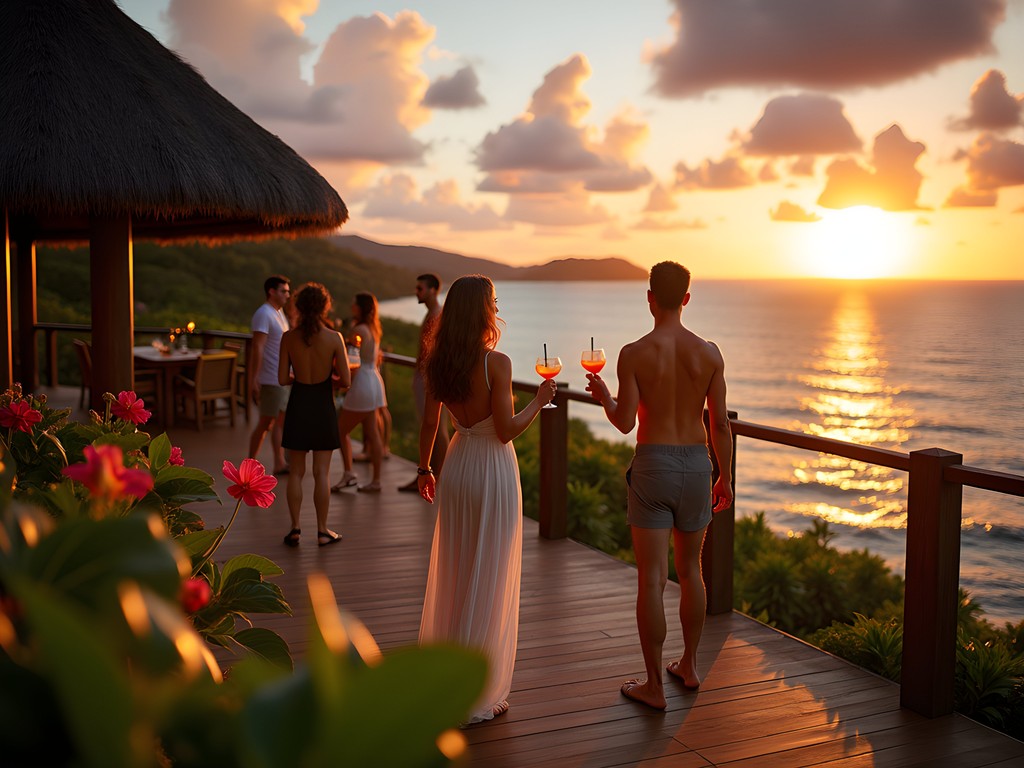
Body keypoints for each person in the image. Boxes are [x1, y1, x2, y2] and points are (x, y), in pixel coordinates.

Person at [585, 261, 733, 711]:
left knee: (652, 578)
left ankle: (653, 685)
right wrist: (724, 474)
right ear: (686, 298)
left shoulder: (633, 353)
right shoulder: (709, 353)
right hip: (696, 465)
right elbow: (720, 424)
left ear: (649, 297)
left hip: (652, 466)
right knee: (692, 572)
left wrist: (606, 398)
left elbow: (625, 423)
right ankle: (688, 666)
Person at [417, 275, 556, 724]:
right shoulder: (497, 363)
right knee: (490, 573)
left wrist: (424, 468)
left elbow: (428, 425)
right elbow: (505, 430)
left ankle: (445, 677)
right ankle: (477, 686)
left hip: (456, 467)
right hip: (493, 471)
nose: (497, 306)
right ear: (483, 311)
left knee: (457, 571)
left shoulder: (439, 361)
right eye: (494, 301)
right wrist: (539, 400)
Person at [278, 283, 351, 547]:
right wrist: (327, 379)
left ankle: (295, 528)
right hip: (322, 406)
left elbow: (281, 378)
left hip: (299, 404)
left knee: (296, 472)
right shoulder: (334, 338)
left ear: (298, 306)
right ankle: (322, 531)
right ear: (325, 306)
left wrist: (300, 376)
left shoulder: (289, 337)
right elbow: (345, 380)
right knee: (322, 472)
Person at [398, 273, 450, 492]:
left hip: (429, 377)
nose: (416, 292)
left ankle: (435, 475)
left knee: (435, 426)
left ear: (433, 290)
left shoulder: (436, 315)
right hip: (426, 375)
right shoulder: (434, 314)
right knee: (435, 426)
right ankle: (438, 475)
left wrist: (425, 375)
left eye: (420, 288)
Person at [331, 292, 387, 493]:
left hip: (362, 381)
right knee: (373, 432)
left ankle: (348, 473)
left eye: (354, 303)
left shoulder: (358, 330)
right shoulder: (374, 328)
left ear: (360, 307)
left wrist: (340, 379)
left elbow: (350, 359)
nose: (351, 305)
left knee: (340, 431)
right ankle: (376, 480)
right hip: (374, 380)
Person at [247, 275, 291, 474]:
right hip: (270, 378)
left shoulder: (279, 313)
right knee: (265, 422)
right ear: (271, 292)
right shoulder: (263, 314)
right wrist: (254, 378)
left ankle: (279, 462)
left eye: (288, 291)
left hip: (281, 377)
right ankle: (249, 465)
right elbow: (258, 346)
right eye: (284, 291)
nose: (287, 295)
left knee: (279, 422)